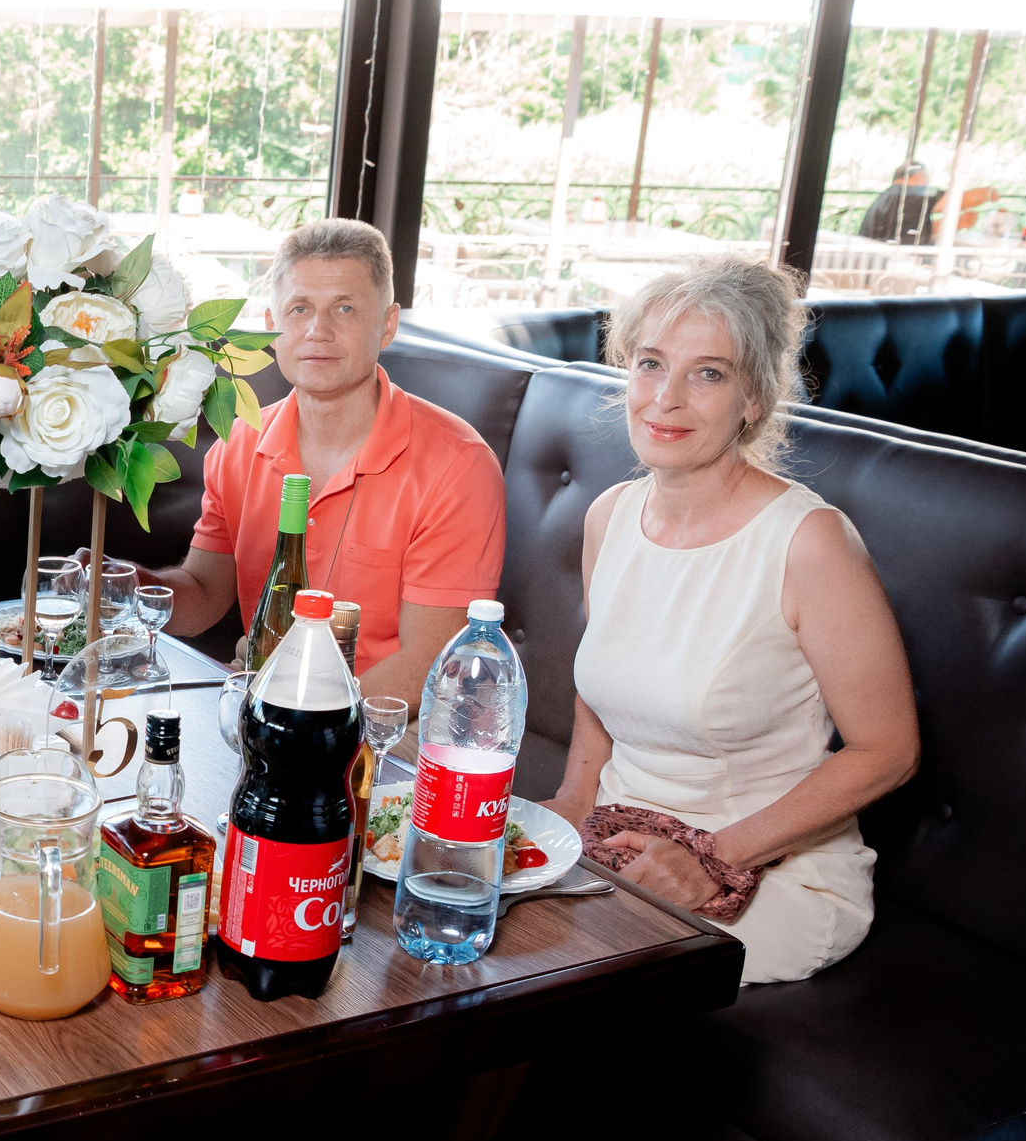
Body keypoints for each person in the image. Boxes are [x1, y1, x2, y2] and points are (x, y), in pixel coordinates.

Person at [546, 256, 918, 984]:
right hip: (624, 839)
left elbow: (889, 749)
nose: (667, 398)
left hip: (772, 869)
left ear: (754, 398)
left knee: (559, 975)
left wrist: (712, 855)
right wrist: (571, 797)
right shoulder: (610, 517)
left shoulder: (810, 542)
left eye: (708, 373)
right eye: (651, 363)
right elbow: (604, 679)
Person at [140, 217, 506, 708]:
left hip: (389, 731)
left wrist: (288, 712)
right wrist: (132, 586)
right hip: (266, 712)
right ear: (273, 325)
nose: (318, 330)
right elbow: (205, 591)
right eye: (299, 309)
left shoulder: (458, 466)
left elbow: (429, 663)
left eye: (346, 309)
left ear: (388, 325)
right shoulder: (238, 440)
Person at [858, 160, 941, 246]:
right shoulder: (908, 193)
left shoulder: (889, 196)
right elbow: (946, 202)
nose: (925, 183)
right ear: (913, 178)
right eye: (922, 178)